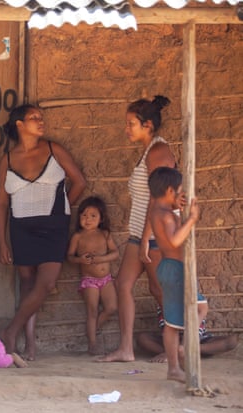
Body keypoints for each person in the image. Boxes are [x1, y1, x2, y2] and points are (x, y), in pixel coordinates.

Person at [0, 104, 86, 359]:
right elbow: (1, 203)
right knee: (27, 283)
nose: (40, 120)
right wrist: (2, 241)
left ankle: (11, 330)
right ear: (20, 125)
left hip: (54, 226)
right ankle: (30, 344)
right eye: (33, 118)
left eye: (41, 117)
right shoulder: (8, 159)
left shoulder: (52, 149)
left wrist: (63, 207)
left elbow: (80, 181)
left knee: (46, 283)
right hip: (21, 227)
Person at [98, 95, 176, 362]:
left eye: (131, 123)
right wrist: (140, 236)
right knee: (123, 284)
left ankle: (174, 349)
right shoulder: (148, 151)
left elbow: (159, 199)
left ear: (149, 125)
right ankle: (126, 349)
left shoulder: (159, 151)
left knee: (159, 290)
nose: (127, 128)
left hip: (154, 235)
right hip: (140, 234)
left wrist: (146, 238)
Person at [147, 166, 201, 382]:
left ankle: (178, 357)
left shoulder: (159, 212)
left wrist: (178, 210)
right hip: (175, 268)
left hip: (171, 267)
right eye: (179, 191)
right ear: (170, 190)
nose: (181, 195)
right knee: (186, 315)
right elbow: (174, 241)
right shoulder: (166, 216)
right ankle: (180, 353)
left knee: (180, 317)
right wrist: (191, 219)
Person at [67, 196, 118, 355]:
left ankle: (93, 329)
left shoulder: (105, 234)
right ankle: (92, 343)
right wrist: (80, 259)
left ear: (101, 218)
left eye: (93, 216)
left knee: (111, 307)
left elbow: (115, 253)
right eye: (84, 215)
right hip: (89, 281)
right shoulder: (78, 236)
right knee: (92, 310)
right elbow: (69, 257)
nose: (87, 219)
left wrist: (100, 259)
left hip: (106, 279)